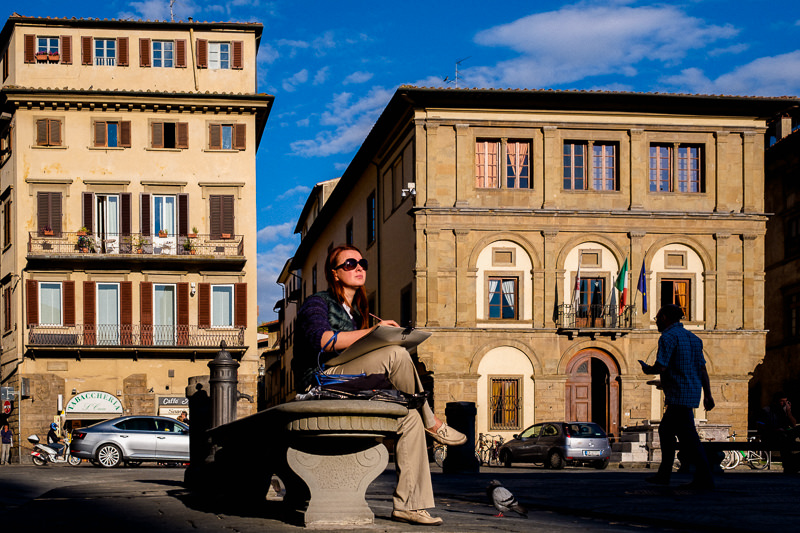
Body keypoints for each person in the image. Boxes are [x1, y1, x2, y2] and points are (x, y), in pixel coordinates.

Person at [294, 244, 466, 526]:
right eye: (349, 264)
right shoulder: (318, 302)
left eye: (362, 262)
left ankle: (410, 505)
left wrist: (383, 334)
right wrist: (375, 332)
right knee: (396, 354)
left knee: (408, 416)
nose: (359, 267)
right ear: (335, 274)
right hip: (322, 379)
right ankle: (432, 421)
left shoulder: (359, 312)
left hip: (355, 384)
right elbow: (322, 341)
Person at [639, 304, 715, 490]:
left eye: (657, 318)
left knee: (688, 437)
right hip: (691, 392)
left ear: (665, 317)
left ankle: (703, 477)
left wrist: (648, 369)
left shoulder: (668, 337)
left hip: (677, 393)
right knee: (668, 431)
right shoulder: (694, 339)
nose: (656, 321)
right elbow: (702, 369)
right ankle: (666, 474)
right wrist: (708, 395)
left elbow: (661, 366)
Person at [758, 392, 798, 474]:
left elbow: (793, 424)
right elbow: (760, 426)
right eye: (782, 401)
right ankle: (788, 467)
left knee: (792, 435)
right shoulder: (766, 411)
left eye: (786, 402)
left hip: (785, 436)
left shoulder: (785, 411)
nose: (784, 404)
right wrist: (775, 430)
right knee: (785, 442)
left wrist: (788, 412)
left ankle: (789, 466)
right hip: (771, 436)